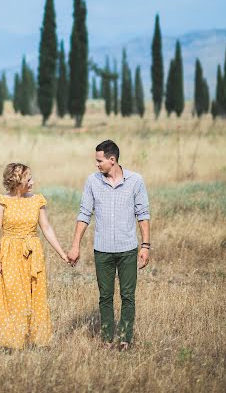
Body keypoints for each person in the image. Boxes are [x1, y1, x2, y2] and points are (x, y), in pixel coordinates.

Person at [67, 140, 150, 350]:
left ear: (112, 160)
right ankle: (106, 339)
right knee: (105, 296)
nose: (97, 165)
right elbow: (84, 214)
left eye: (99, 160)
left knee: (127, 296)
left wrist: (145, 245)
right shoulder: (93, 182)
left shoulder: (135, 181)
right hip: (102, 250)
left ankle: (124, 339)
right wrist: (75, 245)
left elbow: (143, 214)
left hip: (128, 249)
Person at [0, 162, 69, 349]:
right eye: (28, 179)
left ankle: (34, 341)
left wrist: (63, 254)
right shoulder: (2, 202)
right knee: (14, 297)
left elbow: (47, 229)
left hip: (33, 253)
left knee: (36, 297)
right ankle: (12, 342)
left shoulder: (36, 200)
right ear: (18, 181)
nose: (32, 182)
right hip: (10, 253)